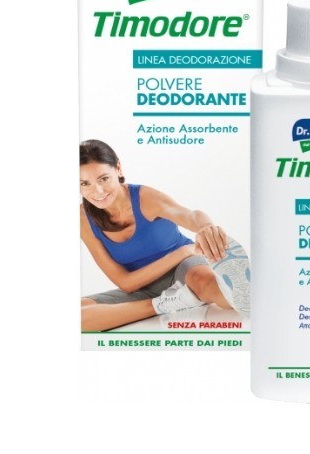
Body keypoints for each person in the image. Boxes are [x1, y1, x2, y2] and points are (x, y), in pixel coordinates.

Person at [80, 139, 247, 331]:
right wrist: (183, 252)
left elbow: (189, 215)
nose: (98, 191)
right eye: (85, 183)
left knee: (204, 282)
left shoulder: (144, 198)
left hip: (184, 269)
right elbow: (125, 283)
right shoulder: (83, 218)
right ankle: (170, 303)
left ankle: (253, 293)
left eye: (103, 179)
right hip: (143, 288)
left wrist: (206, 226)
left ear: (118, 168)